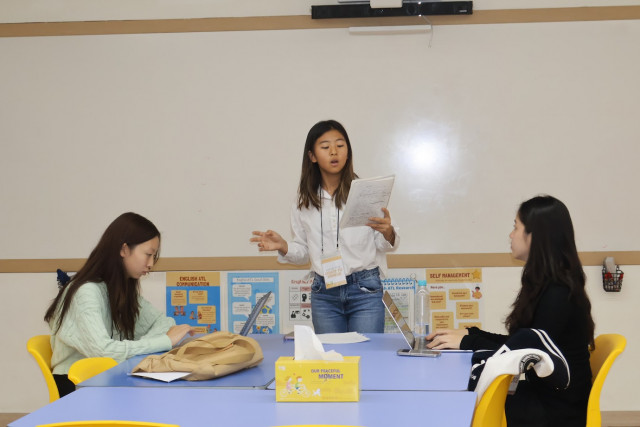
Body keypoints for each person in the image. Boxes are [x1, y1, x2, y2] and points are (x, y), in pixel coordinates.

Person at [426, 195, 595, 427]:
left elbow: (522, 352)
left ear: (535, 236)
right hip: (544, 394)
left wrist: (468, 341)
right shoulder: (546, 282)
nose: (511, 235)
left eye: (516, 227)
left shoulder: (558, 293)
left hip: (555, 409)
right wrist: (469, 335)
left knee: (460, 405)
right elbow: (519, 343)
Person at [251, 120, 399, 333]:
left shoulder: (366, 193)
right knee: (331, 361)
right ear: (312, 156)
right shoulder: (303, 201)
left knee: (367, 359)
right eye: (325, 146)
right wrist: (284, 246)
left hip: (364, 289)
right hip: (324, 292)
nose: (334, 152)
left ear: (348, 152)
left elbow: (384, 244)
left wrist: (389, 233)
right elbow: (303, 254)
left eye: (340, 145)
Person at [44, 212, 195, 397]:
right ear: (124, 250)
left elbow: (165, 323)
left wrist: (135, 347)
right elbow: (104, 351)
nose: (150, 264)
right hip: (77, 386)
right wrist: (162, 342)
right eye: (148, 254)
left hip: (105, 377)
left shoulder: (119, 288)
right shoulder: (86, 292)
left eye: (153, 256)